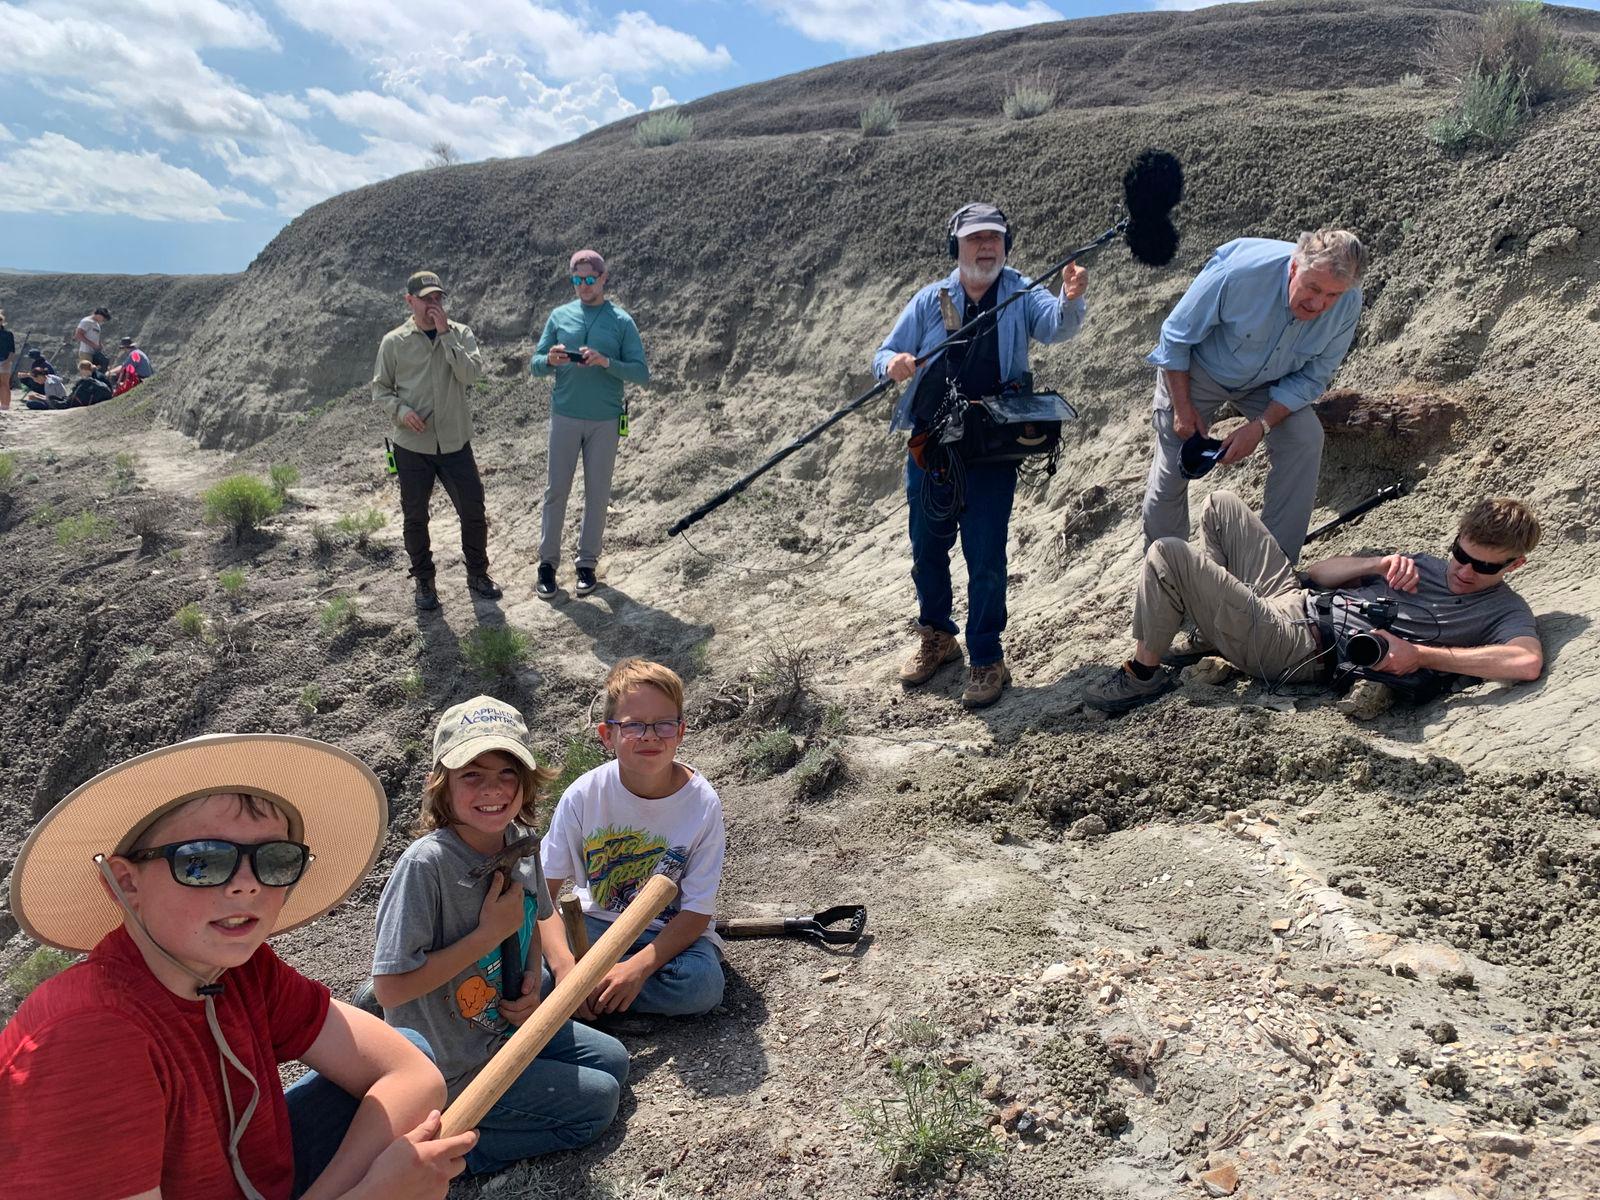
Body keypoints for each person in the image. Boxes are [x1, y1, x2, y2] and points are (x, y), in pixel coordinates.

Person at [0, 733, 478, 1198]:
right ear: (125, 883)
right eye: (203, 861)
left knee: (407, 1047)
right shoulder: (92, 1039)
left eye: (274, 859)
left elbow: (413, 1074)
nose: (247, 885)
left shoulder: (238, 971)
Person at [371, 696, 631, 1175]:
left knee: (614, 1060)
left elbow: (532, 920)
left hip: (502, 1030)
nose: (492, 789)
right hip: (449, 1066)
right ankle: (442, 1160)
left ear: (526, 782)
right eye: (472, 774)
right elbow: (389, 987)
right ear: (441, 785)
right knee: (598, 1104)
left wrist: (531, 981)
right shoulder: (426, 866)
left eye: (507, 773)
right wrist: (485, 935)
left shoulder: (519, 842)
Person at [873, 203, 1089, 708]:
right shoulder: (932, 299)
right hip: (934, 444)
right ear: (957, 247)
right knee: (927, 547)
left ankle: (987, 656)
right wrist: (896, 365)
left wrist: (1071, 298)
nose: (985, 247)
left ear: (1006, 246)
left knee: (985, 554)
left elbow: (1057, 325)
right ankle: (937, 637)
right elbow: (882, 355)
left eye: (994, 238)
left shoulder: (1020, 290)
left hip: (993, 445)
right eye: (975, 239)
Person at [1085, 490, 1544, 713]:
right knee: (1221, 503)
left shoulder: (1503, 609)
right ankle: (1214, 630)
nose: (1464, 571)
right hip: (1296, 599)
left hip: (1303, 647)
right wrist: (1378, 565)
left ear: (1514, 565)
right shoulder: (1421, 564)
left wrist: (1420, 655)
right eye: (1460, 555)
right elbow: (1319, 574)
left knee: (1169, 552)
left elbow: (1525, 662)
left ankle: (1142, 675)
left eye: (1484, 567)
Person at [1142, 229, 1367, 567]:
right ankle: (1167, 576)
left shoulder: (1348, 301)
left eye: (1332, 295)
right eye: (1313, 288)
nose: (1318, 304)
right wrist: (1183, 409)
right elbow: (1175, 338)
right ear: (1294, 268)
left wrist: (1260, 426)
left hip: (1270, 382)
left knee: (1305, 438)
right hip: (1197, 371)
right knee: (1172, 473)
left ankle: (1272, 571)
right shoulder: (1240, 273)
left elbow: (1313, 377)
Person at [541, 658, 726, 1017]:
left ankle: (600, 996)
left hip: (663, 937)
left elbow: (696, 913)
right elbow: (541, 896)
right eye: (634, 725)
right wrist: (565, 970)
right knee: (534, 972)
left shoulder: (702, 804)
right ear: (606, 735)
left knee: (701, 984)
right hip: (595, 928)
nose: (650, 736)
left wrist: (637, 969)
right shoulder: (584, 794)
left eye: (664, 725)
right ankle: (591, 994)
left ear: (681, 731)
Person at [372, 270, 502, 611]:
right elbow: (380, 389)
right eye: (426, 298)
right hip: (413, 446)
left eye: (438, 298)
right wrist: (401, 411)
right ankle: (424, 582)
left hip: (455, 442)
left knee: (473, 511)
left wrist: (446, 335)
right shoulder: (394, 342)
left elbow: (470, 376)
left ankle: (478, 574)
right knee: (415, 516)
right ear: (409, 301)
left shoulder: (461, 334)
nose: (434, 304)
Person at [528, 249, 650, 599]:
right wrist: (549, 360)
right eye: (577, 279)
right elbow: (535, 363)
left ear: (603, 278)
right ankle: (547, 566)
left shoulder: (622, 321)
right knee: (556, 492)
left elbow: (642, 374)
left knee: (597, 494)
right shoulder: (559, 315)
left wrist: (606, 362)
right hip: (564, 415)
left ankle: (586, 565)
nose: (583, 285)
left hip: (605, 420)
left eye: (589, 279)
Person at [0, 309, 15, 411]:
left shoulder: (8, 334)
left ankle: (6, 406)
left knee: (5, 383)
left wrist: (8, 361)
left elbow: (12, 350)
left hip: (5, 361)